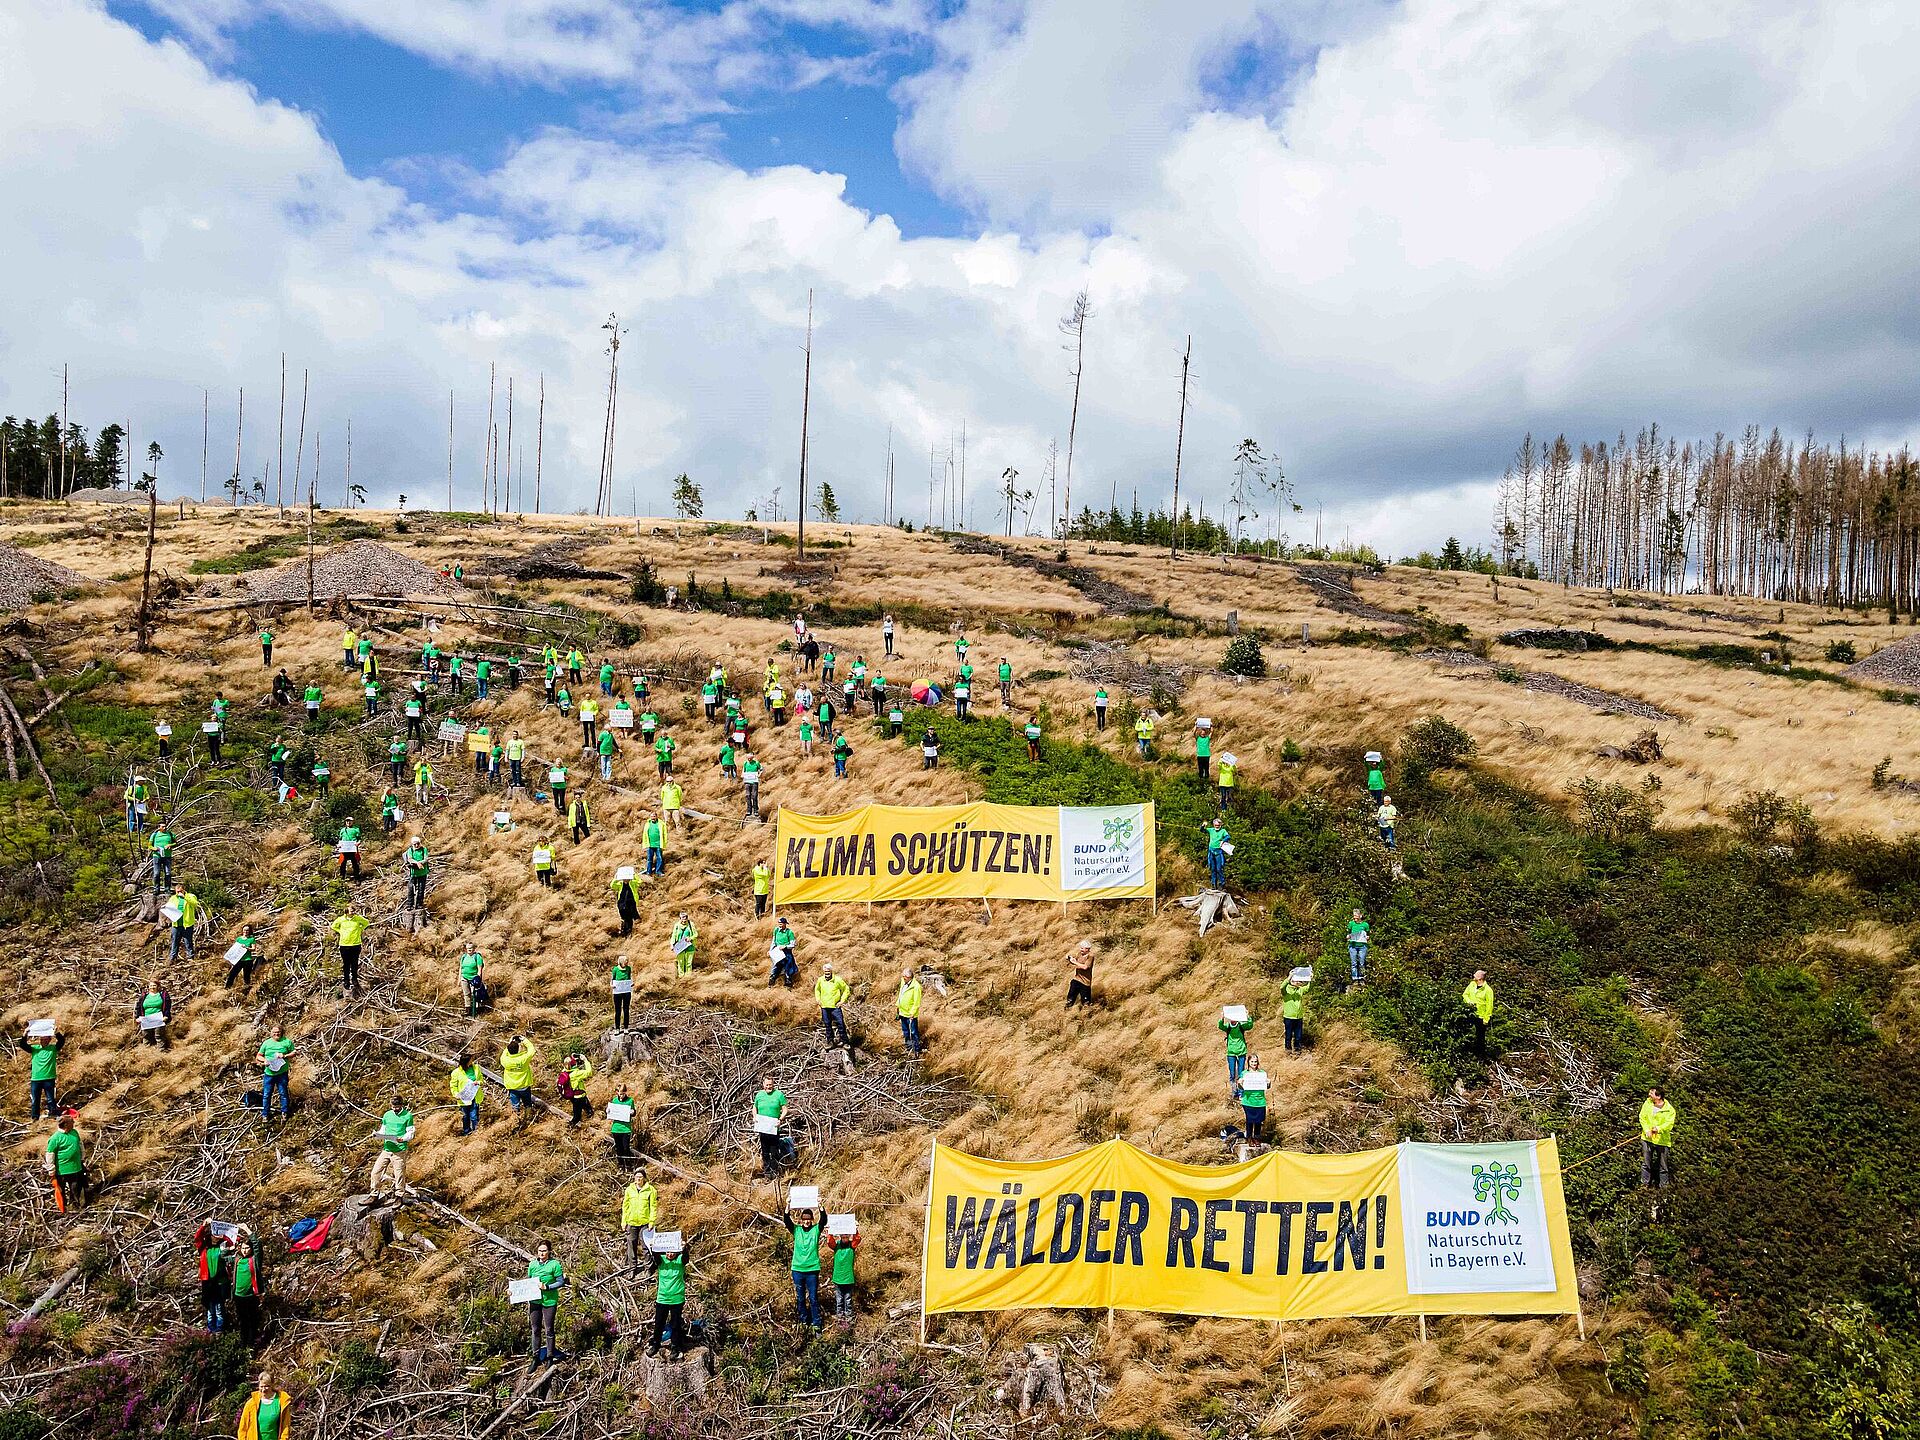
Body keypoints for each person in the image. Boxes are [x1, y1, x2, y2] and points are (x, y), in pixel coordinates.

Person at [649, 1234, 691, 1357]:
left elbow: (686, 1258)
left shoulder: (680, 1261)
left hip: (677, 1299)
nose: (670, 1254)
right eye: (668, 1252)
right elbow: (655, 1256)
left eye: (672, 1252)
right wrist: (653, 1247)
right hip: (662, 1298)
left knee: (675, 1325)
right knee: (659, 1323)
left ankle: (675, 1347)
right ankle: (655, 1344)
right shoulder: (661, 1260)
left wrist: (685, 1247)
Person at [526, 1241, 566, 1363]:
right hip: (535, 1301)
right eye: (540, 1251)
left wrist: (547, 1287)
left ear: (549, 1251)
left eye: (544, 1250)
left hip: (549, 1301)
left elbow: (560, 1281)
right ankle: (535, 1356)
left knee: (549, 1329)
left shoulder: (555, 1264)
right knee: (535, 1329)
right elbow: (528, 1283)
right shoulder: (532, 1265)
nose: (542, 1253)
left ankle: (549, 1356)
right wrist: (513, 1292)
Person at [786, 1207, 824, 1331]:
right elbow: (787, 1221)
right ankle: (803, 1321)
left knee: (813, 1298)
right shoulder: (796, 1230)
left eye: (809, 1219)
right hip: (797, 1270)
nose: (806, 1221)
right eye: (804, 1219)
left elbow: (824, 1220)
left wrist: (821, 1207)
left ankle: (816, 1323)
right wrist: (787, 1206)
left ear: (812, 1220)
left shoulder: (816, 1230)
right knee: (800, 1298)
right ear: (801, 1220)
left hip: (812, 1270)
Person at [372, 1096, 415, 1196]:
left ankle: (399, 1196)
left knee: (399, 1174)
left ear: (401, 1105)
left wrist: (402, 1139)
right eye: (393, 1107)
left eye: (397, 1107)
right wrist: (377, 1134)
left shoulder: (408, 1116)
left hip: (399, 1150)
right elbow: (383, 1130)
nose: (395, 1109)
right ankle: (374, 1194)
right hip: (387, 1149)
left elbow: (410, 1133)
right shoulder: (387, 1115)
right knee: (376, 1172)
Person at [45, 1113, 86, 1209]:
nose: (74, 1123)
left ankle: (75, 1205)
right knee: (61, 1189)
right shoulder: (55, 1138)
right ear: (66, 1125)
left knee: (76, 1188)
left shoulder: (74, 1133)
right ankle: (63, 1206)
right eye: (72, 1122)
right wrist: (51, 1169)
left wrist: (82, 1157)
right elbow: (50, 1154)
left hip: (76, 1167)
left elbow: (80, 1145)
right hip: (62, 1170)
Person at [192, 1222, 228, 1332]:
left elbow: (235, 1240)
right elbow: (197, 1237)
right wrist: (204, 1225)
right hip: (207, 1281)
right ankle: (211, 1329)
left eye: (217, 1235)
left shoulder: (223, 1247)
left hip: (220, 1281)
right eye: (214, 1235)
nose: (215, 1237)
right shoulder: (203, 1249)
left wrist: (224, 1235)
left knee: (219, 1308)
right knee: (210, 1307)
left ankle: (219, 1329)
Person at [622, 1169, 659, 1273]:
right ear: (634, 1178)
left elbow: (653, 1207)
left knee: (646, 1246)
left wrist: (652, 1221)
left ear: (644, 1178)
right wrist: (624, 1221)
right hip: (631, 1222)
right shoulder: (629, 1190)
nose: (638, 1179)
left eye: (640, 1177)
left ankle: (648, 1268)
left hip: (645, 1223)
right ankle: (632, 1269)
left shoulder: (651, 1190)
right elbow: (625, 1206)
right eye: (637, 1177)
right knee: (631, 1246)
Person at [1640, 1087, 1677, 1188]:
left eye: (1652, 1093)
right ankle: (1644, 1184)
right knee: (1646, 1163)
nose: (1649, 1094)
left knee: (1663, 1166)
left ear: (1658, 1096)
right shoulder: (1647, 1103)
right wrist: (1647, 1130)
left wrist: (1658, 1129)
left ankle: (1664, 1188)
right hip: (1647, 1139)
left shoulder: (1669, 1110)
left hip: (1662, 1142)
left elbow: (1669, 1124)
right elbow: (1642, 1117)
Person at [237, 1371, 291, 1440]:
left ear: (272, 1385)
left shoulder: (282, 1402)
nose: (263, 1389)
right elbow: (242, 1428)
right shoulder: (251, 1403)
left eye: (266, 1386)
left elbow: (285, 1426)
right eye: (261, 1386)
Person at [824, 1223, 860, 1324]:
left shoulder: (851, 1246)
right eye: (843, 1236)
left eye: (846, 1236)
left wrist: (855, 1229)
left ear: (849, 1236)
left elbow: (857, 1239)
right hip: (838, 1278)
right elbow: (830, 1242)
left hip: (848, 1278)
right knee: (839, 1300)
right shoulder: (837, 1246)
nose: (844, 1238)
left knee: (848, 1300)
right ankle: (839, 1317)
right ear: (840, 1236)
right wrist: (828, 1232)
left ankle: (849, 1316)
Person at [24, 1026, 62, 1120]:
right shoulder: (34, 1048)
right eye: (41, 1039)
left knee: (50, 1099)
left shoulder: (53, 1048)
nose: (43, 1041)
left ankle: (52, 1114)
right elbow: (23, 1045)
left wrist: (56, 1033)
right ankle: (35, 1117)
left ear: (49, 1040)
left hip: (49, 1078)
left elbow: (61, 1042)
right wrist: (25, 1034)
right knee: (35, 1100)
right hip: (36, 1079)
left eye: (45, 1039)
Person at [501, 1037, 539, 1126]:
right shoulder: (523, 1059)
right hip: (524, 1087)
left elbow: (504, 1053)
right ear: (518, 1049)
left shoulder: (505, 1060)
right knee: (527, 1104)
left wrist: (510, 1043)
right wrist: (525, 1040)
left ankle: (516, 1119)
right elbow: (532, 1050)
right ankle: (527, 1118)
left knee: (515, 1105)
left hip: (512, 1087)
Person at [754, 1078, 788, 1177]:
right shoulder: (759, 1095)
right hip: (763, 1127)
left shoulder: (779, 1094)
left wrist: (780, 1119)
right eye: (767, 1085)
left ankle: (775, 1172)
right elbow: (754, 1107)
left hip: (773, 1128)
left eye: (770, 1085)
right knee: (765, 1151)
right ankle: (767, 1171)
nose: (769, 1087)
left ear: (773, 1085)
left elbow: (785, 1109)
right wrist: (755, 1116)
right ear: (763, 1084)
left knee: (774, 1151)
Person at [258, 1025, 293, 1120]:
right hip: (269, 1074)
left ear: (281, 1032)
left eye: (278, 1032)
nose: (276, 1034)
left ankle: (284, 1112)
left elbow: (294, 1052)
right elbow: (259, 1056)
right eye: (274, 1032)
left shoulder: (287, 1042)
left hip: (282, 1073)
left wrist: (284, 1055)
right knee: (266, 1094)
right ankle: (265, 1114)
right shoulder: (266, 1043)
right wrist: (264, 1060)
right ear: (271, 1033)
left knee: (283, 1093)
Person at [331, 909, 367, 996]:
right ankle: (346, 980)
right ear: (347, 911)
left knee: (354, 963)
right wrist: (341, 931)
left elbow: (366, 923)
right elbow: (334, 926)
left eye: (353, 910)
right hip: (344, 945)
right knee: (346, 964)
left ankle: (354, 979)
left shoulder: (358, 918)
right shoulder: (341, 919)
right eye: (351, 910)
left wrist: (360, 929)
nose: (353, 911)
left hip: (355, 944)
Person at [815, 964, 851, 1046]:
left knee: (840, 1023)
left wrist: (842, 1001)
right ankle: (830, 1041)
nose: (827, 973)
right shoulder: (820, 980)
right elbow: (817, 990)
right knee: (827, 1024)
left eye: (828, 971)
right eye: (825, 972)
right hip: (824, 1007)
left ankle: (845, 1042)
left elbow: (846, 989)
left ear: (831, 971)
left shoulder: (838, 980)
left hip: (835, 1007)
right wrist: (818, 999)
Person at [449, 1053, 483, 1135]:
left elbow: (481, 1079)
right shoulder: (456, 1073)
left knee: (474, 1116)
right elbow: (453, 1086)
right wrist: (456, 1094)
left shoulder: (476, 1068)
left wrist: (479, 1082)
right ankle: (466, 1131)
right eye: (470, 1060)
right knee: (465, 1116)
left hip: (474, 1095)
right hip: (463, 1098)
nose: (472, 1061)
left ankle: (476, 1132)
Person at [1219, 1010, 1254, 1089]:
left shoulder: (1241, 1026)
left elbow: (1250, 1026)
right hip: (1231, 1053)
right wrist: (1222, 1018)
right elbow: (1220, 1026)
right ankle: (1234, 1092)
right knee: (1232, 1074)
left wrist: (1247, 1016)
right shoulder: (1228, 1026)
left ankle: (1241, 1092)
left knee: (1241, 1073)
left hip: (1241, 1052)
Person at [1462, 970, 1494, 1056]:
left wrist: (1486, 1019)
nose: (1473, 976)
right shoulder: (1472, 985)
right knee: (1468, 1034)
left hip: (1481, 1017)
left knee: (1480, 1038)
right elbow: (1465, 995)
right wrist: (1469, 1002)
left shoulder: (1488, 990)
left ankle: (1480, 1056)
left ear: (1480, 978)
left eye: (1475, 975)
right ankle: (1468, 1053)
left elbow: (1489, 1005)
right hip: (1469, 1014)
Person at [136, 976, 173, 1049]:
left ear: (158, 986)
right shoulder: (144, 996)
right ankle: (145, 1052)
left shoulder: (163, 995)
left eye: (154, 985)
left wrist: (166, 1016)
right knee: (146, 1037)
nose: (152, 987)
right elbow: (139, 1007)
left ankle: (161, 1052)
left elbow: (168, 1006)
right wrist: (138, 1017)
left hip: (159, 1019)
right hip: (146, 1019)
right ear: (148, 986)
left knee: (159, 1036)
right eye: (151, 985)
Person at [558, 1052, 594, 1127]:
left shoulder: (565, 1072)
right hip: (579, 1096)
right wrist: (585, 1060)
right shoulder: (576, 1074)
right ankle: (572, 1125)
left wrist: (573, 1057)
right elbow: (589, 1072)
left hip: (573, 1096)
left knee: (587, 1106)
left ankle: (589, 1113)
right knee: (577, 1115)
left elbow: (568, 1065)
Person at [1238, 1056, 1269, 1142]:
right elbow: (1241, 1087)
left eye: (1255, 1062)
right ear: (1248, 1062)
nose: (1254, 1063)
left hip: (1260, 1101)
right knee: (1250, 1120)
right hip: (1248, 1101)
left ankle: (1256, 1137)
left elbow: (1267, 1087)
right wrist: (1240, 1083)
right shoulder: (1244, 1073)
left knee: (1259, 1121)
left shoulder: (1262, 1073)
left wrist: (1268, 1083)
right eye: (1252, 1062)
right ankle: (1249, 1137)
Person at [608, 1080, 638, 1166]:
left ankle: (628, 1165)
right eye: (619, 1094)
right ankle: (621, 1165)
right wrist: (608, 1111)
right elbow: (612, 1113)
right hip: (616, 1128)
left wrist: (632, 1112)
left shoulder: (630, 1101)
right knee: (619, 1148)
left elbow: (633, 1113)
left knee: (626, 1148)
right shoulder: (614, 1100)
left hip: (625, 1129)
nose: (621, 1096)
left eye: (623, 1094)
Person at [167, 886, 200, 961]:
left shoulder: (191, 896)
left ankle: (190, 956)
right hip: (176, 924)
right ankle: (173, 958)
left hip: (187, 924)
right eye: (177, 891)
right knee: (174, 941)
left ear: (184, 890)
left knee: (188, 941)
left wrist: (185, 897)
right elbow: (169, 907)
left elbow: (195, 904)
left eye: (180, 891)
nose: (179, 893)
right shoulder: (173, 898)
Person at [897, 967, 923, 1056]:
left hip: (910, 1015)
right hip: (902, 1012)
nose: (903, 978)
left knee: (913, 1032)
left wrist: (912, 1013)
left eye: (905, 977)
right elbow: (901, 994)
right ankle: (908, 1048)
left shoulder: (916, 987)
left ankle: (916, 1050)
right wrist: (898, 1005)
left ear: (909, 977)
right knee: (906, 1032)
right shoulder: (903, 982)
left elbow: (917, 1002)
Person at [769, 917, 799, 986]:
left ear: (785, 924)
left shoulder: (789, 932)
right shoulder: (776, 930)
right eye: (779, 924)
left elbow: (792, 944)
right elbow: (773, 942)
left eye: (781, 924)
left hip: (786, 952)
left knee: (788, 968)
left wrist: (785, 946)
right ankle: (772, 982)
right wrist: (770, 951)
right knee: (776, 967)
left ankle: (788, 983)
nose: (780, 925)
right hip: (778, 952)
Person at [612, 870, 643, 936]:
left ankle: (628, 932)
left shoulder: (633, 883)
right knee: (624, 918)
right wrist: (616, 878)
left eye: (627, 879)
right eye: (624, 879)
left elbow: (639, 882)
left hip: (631, 903)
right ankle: (624, 930)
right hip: (622, 904)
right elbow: (612, 885)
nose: (626, 880)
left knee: (629, 918)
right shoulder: (620, 884)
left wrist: (634, 875)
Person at [1281, 977, 1307, 1053]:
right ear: (1291, 981)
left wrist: (1311, 978)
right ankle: (1288, 1050)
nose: (1297, 982)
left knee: (1298, 1036)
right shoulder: (1286, 990)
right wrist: (1289, 977)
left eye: (1298, 981)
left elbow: (1308, 988)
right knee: (1288, 1035)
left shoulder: (1300, 989)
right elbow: (1282, 986)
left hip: (1299, 1017)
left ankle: (1297, 1051)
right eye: (1295, 980)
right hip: (1288, 1017)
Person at [460, 945, 487, 1017]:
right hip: (464, 977)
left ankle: (478, 1009)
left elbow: (479, 969)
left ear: (474, 949)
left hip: (473, 978)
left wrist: (478, 979)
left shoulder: (477, 957)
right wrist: (459, 978)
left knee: (475, 994)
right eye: (468, 948)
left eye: (471, 948)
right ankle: (468, 1009)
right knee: (466, 994)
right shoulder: (464, 957)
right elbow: (461, 968)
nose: (469, 949)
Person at [402, 836, 430, 908]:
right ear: (412, 844)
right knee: (411, 889)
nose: (417, 845)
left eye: (418, 844)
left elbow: (426, 859)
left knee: (421, 889)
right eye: (415, 844)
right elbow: (410, 859)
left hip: (422, 873)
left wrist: (420, 862)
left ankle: (419, 904)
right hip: (413, 873)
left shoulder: (424, 849)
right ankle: (410, 904)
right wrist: (418, 863)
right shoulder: (410, 850)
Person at [1065, 940, 1094, 1008]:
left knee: (1086, 1003)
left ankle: (1086, 1015)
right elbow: (1076, 962)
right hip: (1076, 979)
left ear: (1087, 949)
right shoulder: (1079, 954)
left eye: (1082, 948)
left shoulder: (1090, 956)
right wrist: (1070, 959)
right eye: (1080, 948)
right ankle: (1067, 1011)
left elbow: (1085, 967)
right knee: (1070, 999)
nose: (1080, 949)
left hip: (1085, 982)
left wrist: (1075, 963)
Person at [1203, 820, 1230, 889]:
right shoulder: (1211, 830)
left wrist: (1223, 841)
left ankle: (1222, 884)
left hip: (1218, 852)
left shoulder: (1223, 831)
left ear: (1220, 825)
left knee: (1219, 869)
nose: (1217, 826)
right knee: (1212, 869)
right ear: (1213, 825)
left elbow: (1228, 837)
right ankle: (1213, 885)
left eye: (1218, 825)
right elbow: (1202, 830)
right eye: (1216, 825)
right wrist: (1203, 825)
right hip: (1211, 851)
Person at [149, 822, 174, 892]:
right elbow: (149, 846)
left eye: (165, 826)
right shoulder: (154, 835)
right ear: (159, 827)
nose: (165, 828)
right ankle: (156, 889)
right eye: (162, 827)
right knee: (156, 873)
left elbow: (176, 843)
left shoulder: (170, 834)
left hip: (167, 856)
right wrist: (155, 849)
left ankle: (167, 889)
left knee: (168, 873)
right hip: (157, 856)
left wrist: (170, 845)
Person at [671, 912, 698, 977]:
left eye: (685, 920)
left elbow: (696, 934)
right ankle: (681, 976)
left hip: (689, 946)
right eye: (682, 920)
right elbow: (674, 935)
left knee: (688, 963)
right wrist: (672, 944)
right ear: (680, 919)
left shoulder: (691, 924)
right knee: (681, 962)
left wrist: (691, 938)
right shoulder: (677, 925)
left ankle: (688, 977)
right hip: (679, 946)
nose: (684, 922)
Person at [1347, 909, 1370, 983]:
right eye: (1354, 916)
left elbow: (1368, 933)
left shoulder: (1365, 925)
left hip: (1362, 946)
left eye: (1356, 916)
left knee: (1362, 962)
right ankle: (1354, 978)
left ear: (1360, 916)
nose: (1355, 917)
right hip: (1353, 946)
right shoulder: (1351, 924)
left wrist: (1367, 937)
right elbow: (1349, 932)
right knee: (1353, 963)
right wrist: (1348, 936)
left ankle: (1361, 977)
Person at [611, 953, 632, 1028]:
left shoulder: (628, 968)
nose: (627, 962)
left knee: (626, 1010)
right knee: (618, 1010)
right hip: (618, 992)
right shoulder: (615, 969)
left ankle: (626, 1027)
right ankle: (617, 1028)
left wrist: (631, 983)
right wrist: (612, 985)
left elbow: (629, 977)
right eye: (626, 961)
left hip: (626, 991)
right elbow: (612, 978)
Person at [742, 752, 762, 820]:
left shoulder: (756, 763)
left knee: (754, 795)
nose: (749, 759)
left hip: (754, 782)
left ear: (753, 757)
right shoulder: (745, 763)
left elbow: (761, 769)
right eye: (748, 758)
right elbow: (743, 771)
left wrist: (759, 774)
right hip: (747, 781)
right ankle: (749, 810)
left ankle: (755, 810)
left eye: (750, 758)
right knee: (748, 795)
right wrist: (743, 776)